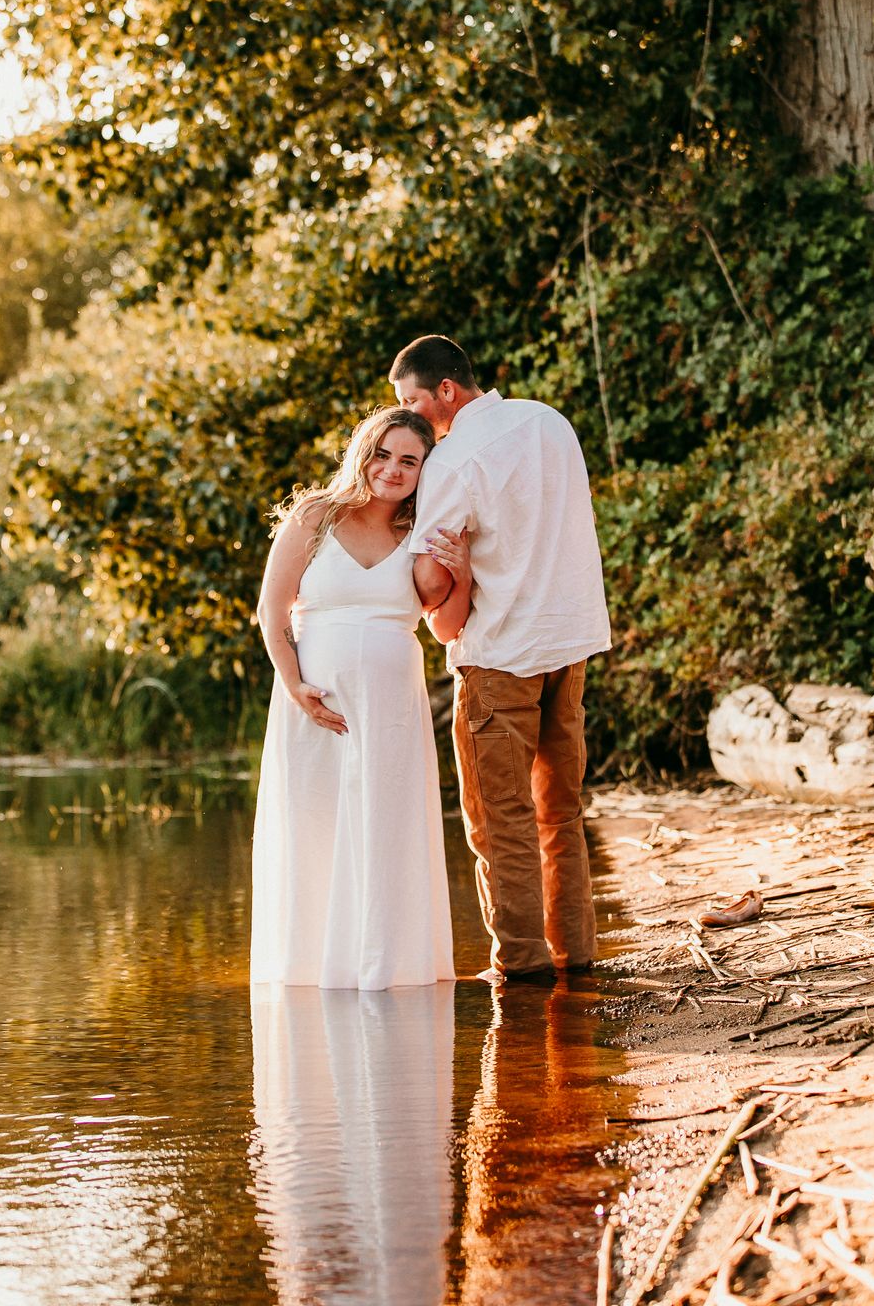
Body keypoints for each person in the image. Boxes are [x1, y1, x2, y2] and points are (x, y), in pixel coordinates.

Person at [389, 336, 612, 982]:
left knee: (499, 819)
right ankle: (576, 953)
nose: (410, 416)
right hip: (567, 646)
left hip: (499, 656)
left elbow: (431, 578)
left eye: (412, 402)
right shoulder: (552, 423)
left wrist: (442, 591)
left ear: (446, 394)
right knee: (560, 809)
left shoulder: (453, 461)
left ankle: (519, 964)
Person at [250, 405, 471, 991]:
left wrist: (463, 572)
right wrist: (294, 686)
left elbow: (447, 626)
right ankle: (310, 973)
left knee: (386, 825)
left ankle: (387, 970)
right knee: (316, 825)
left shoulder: (422, 536)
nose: (392, 470)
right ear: (362, 451)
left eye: (410, 461)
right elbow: (271, 613)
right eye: (383, 453)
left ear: (426, 471)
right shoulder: (315, 516)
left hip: (392, 702)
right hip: (314, 704)